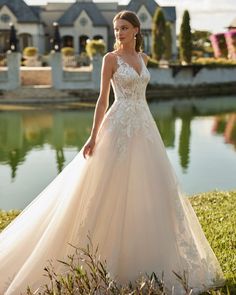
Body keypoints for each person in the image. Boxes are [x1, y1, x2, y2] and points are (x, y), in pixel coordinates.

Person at [0, 10, 225, 295]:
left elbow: (141, 93)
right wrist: (93, 137)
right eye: (116, 28)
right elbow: (102, 99)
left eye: (124, 28)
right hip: (117, 126)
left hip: (144, 127)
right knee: (108, 187)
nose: (118, 33)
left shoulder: (143, 59)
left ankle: (153, 261)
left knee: (151, 187)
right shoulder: (110, 59)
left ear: (136, 31)